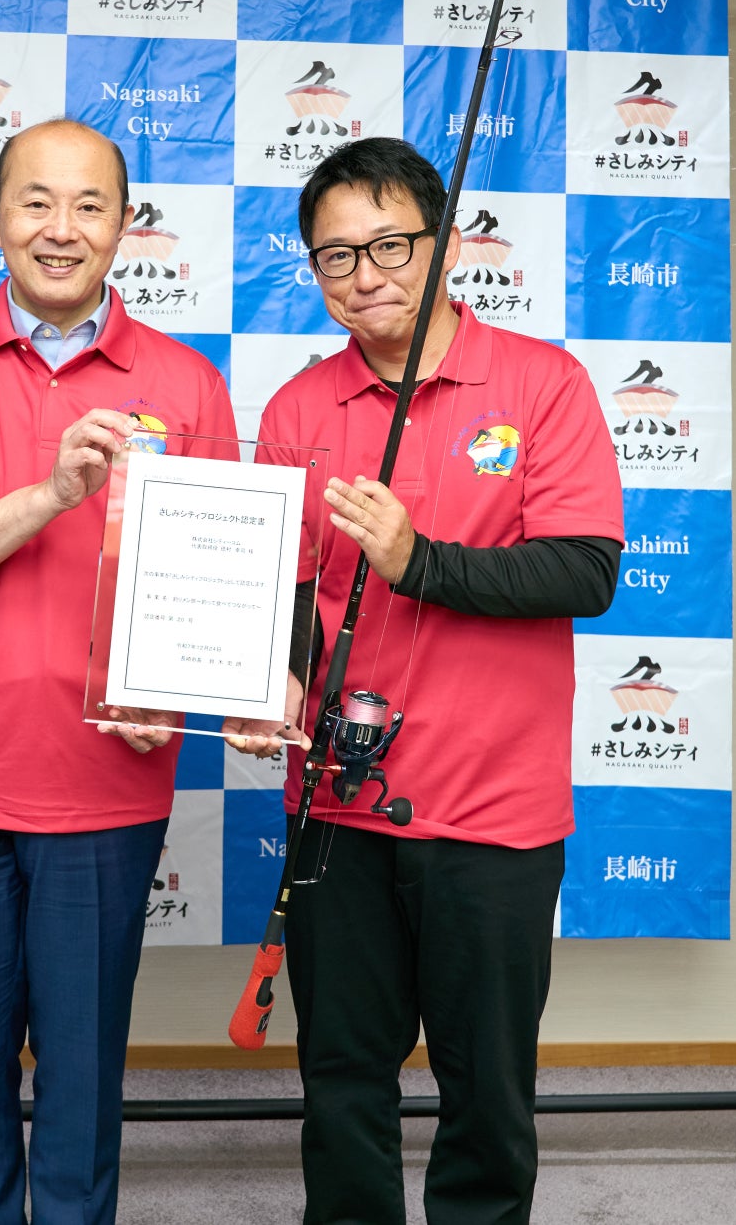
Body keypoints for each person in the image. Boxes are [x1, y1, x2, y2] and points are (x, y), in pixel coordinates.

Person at [223, 136, 625, 1225]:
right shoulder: (299, 408)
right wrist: (274, 681)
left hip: (493, 811)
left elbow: (586, 571)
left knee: (486, 1089)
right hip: (337, 805)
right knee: (340, 1076)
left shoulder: (543, 383)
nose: (365, 276)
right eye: (336, 256)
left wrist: (419, 561)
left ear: (444, 242)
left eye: (390, 244)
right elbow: (288, 587)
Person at [0, 118, 237, 1225]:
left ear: (125, 225)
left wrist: (180, 689)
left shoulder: (188, 382)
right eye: (36, 202)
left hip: (105, 788)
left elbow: (212, 588)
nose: (60, 229)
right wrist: (53, 492)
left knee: (83, 1080)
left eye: (88, 205)